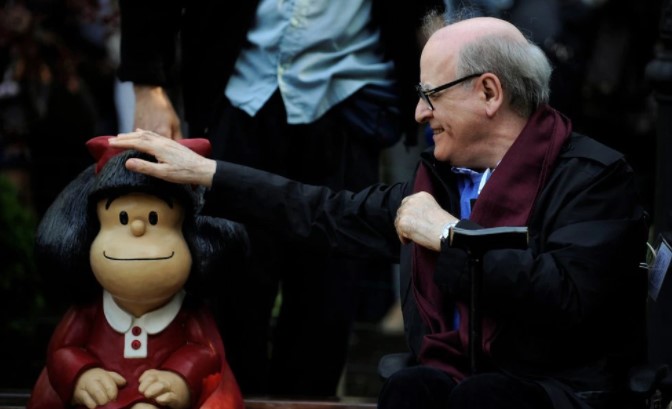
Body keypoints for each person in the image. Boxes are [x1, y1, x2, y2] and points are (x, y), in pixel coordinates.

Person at [109, 15, 649, 409]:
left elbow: (568, 298)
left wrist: (454, 236)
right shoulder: (435, 182)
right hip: (461, 382)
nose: (418, 112)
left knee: (483, 398)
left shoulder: (595, 176)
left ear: (489, 92)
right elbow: (317, 209)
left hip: (560, 390)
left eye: (430, 94)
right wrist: (206, 173)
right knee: (412, 388)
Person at [116, 0, 443, 396]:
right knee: (231, 285)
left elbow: (428, 9)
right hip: (239, 92)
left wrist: (441, 87)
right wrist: (148, 85)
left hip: (350, 98)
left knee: (328, 299)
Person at [26, 136, 247, 409]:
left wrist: (179, 376)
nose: (138, 231)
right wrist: (82, 373)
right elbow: (61, 351)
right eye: (121, 219)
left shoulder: (188, 313)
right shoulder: (91, 311)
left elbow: (207, 353)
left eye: (155, 219)